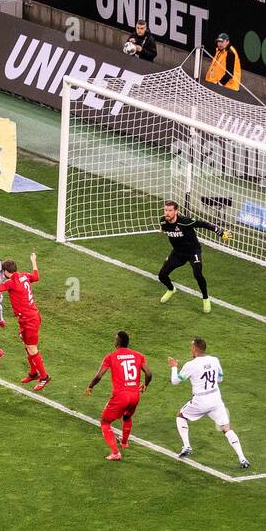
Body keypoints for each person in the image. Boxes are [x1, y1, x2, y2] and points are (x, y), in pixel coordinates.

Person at [169, 337, 248, 469]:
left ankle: (187, 446)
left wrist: (174, 367)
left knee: (181, 415)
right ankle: (242, 458)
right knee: (226, 428)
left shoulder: (191, 365)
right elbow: (220, 379)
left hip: (200, 400)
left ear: (194, 349)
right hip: (216, 399)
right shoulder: (214, 360)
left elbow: (175, 381)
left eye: (191, 347)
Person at [85, 331, 152, 461]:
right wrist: (145, 385)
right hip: (134, 395)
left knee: (105, 422)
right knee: (127, 416)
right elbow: (148, 374)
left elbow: (99, 375)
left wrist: (90, 386)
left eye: (115, 339)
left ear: (118, 342)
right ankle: (124, 442)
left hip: (121, 396)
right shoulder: (138, 355)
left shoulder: (111, 357)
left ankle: (115, 453)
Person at [0, 252, 49, 390]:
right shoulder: (24, 276)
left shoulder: (11, 282)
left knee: (32, 349)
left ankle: (44, 377)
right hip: (28, 317)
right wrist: (33, 261)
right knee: (27, 346)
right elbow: (36, 276)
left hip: (29, 320)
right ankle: (33, 373)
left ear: (5, 272)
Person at [157, 200, 229, 312]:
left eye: (170, 210)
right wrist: (162, 230)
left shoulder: (185, 222)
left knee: (197, 273)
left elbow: (204, 224)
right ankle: (171, 289)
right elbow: (164, 229)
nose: (167, 213)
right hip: (178, 253)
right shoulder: (163, 222)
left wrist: (220, 232)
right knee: (162, 275)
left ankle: (205, 298)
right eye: (165, 210)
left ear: (176, 211)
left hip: (193, 251)